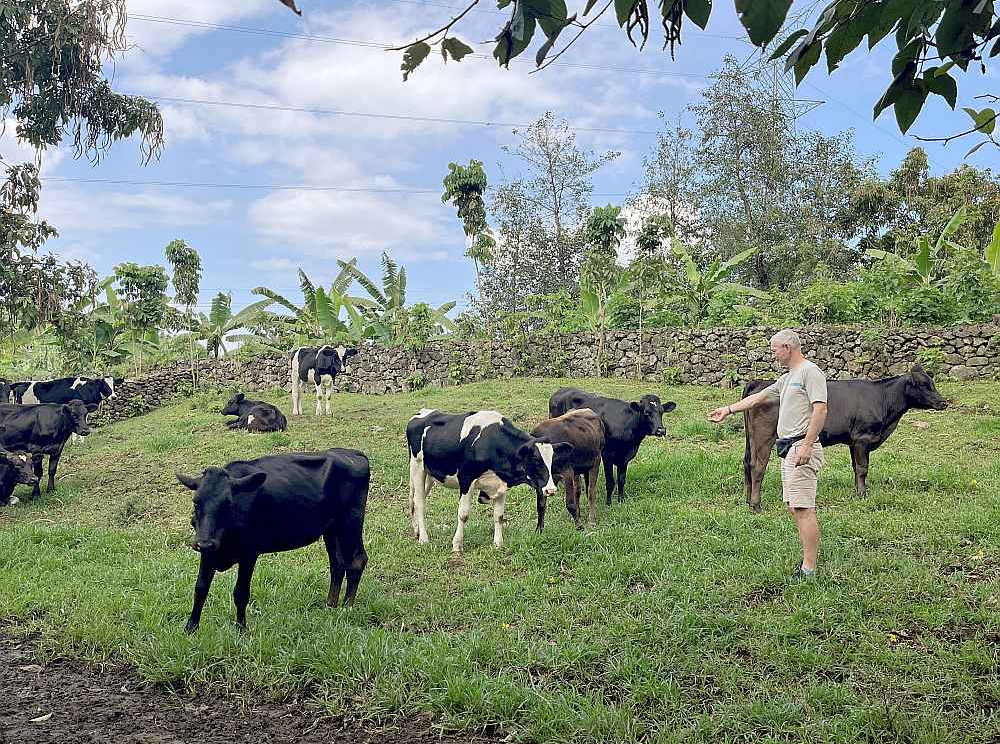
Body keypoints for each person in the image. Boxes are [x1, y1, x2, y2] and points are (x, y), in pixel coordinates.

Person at [708, 329, 828, 579]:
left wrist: (807, 444)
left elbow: (820, 409)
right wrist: (727, 410)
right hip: (788, 450)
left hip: (800, 447)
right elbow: (757, 398)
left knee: (804, 509)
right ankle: (808, 559)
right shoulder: (788, 377)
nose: (773, 355)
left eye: (774, 350)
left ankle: (809, 569)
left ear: (787, 347)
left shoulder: (810, 372)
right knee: (795, 507)